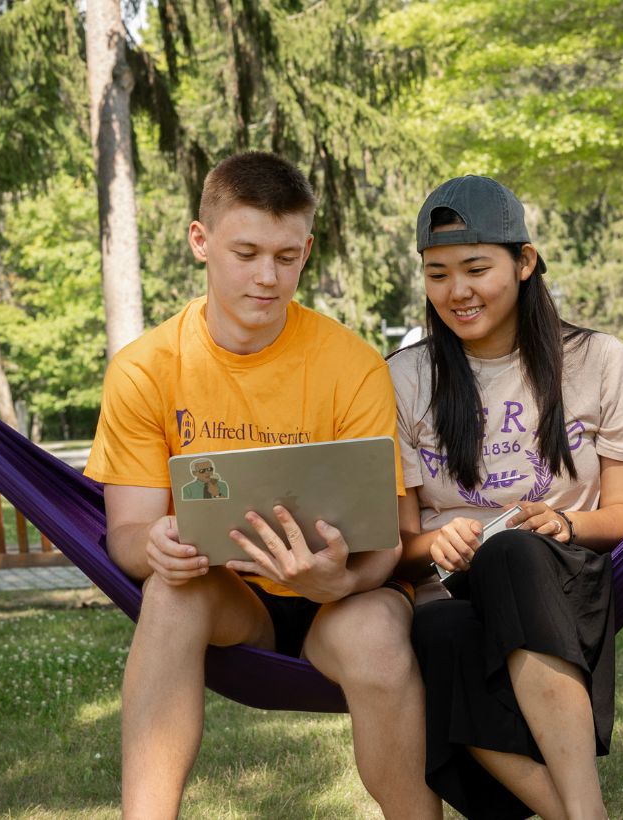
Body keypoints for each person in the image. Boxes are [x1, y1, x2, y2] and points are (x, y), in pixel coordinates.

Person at [84, 152, 440, 820]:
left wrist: (341, 581)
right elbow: (127, 534)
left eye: (286, 256)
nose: (267, 276)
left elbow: (387, 539)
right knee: (169, 590)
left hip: (342, 599)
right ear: (201, 241)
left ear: (306, 251)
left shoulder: (353, 364)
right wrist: (154, 546)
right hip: (232, 598)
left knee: (377, 639)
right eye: (246, 252)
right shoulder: (144, 369)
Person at [391, 176, 623, 820]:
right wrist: (435, 543)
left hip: (555, 581)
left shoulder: (597, 360)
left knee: (512, 551)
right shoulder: (404, 378)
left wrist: (566, 524)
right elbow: (398, 547)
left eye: (477, 268)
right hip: (449, 588)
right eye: (437, 274)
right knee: (440, 630)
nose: (457, 292)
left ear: (525, 260)